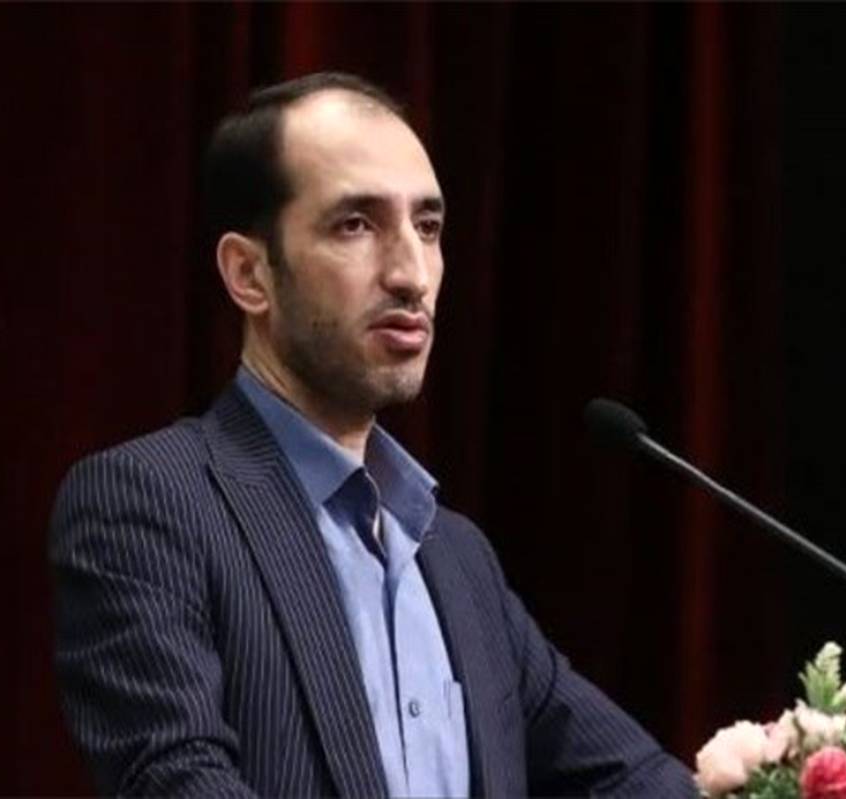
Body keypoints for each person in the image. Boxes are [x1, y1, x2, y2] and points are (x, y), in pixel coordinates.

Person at [50, 71, 697, 798]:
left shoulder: (456, 557)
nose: (412, 274)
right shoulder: (152, 504)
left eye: (428, 227)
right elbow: (174, 778)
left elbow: (634, 779)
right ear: (249, 274)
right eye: (356, 224)